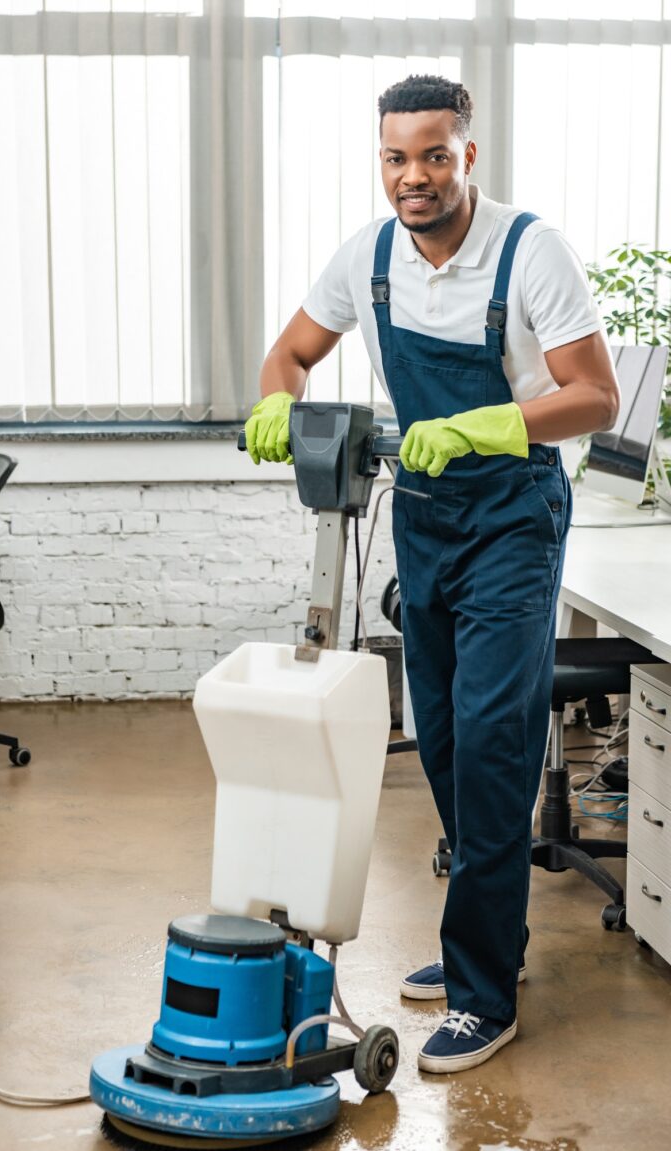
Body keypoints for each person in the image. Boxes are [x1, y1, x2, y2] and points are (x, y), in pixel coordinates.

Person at [244, 74, 619, 1073]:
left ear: (468, 156)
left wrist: (492, 422)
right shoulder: (368, 257)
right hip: (424, 521)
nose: (415, 175)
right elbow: (291, 351)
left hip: (513, 521)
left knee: (496, 744)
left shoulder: (528, 248)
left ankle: (485, 991)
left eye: (435, 155)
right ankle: (483, 943)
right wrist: (280, 398)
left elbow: (595, 395)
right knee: (447, 740)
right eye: (396, 157)